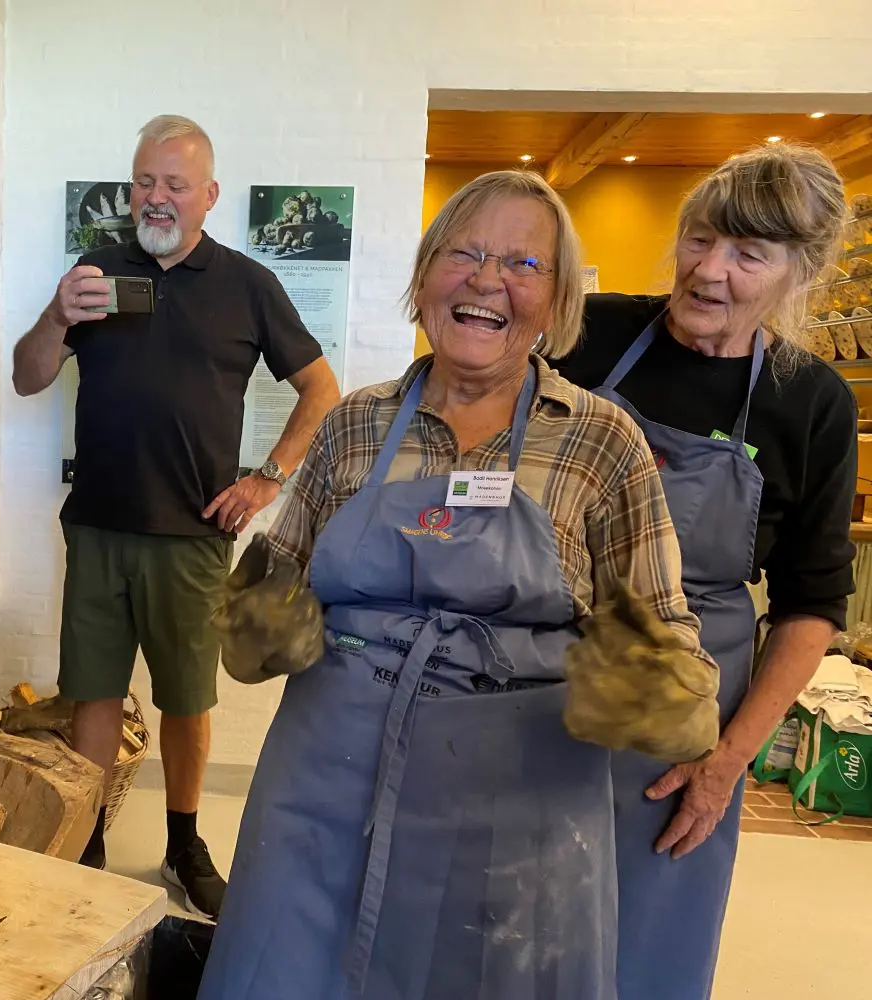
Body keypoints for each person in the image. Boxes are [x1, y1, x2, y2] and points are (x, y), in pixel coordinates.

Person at [198, 170, 721, 1000]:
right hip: (329, 782)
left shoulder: (599, 440)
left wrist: (647, 689)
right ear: (424, 274)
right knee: (293, 972)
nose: (486, 281)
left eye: (523, 264)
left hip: (517, 805)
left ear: (555, 303)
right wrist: (255, 615)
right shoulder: (354, 425)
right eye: (464, 253)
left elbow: (662, 632)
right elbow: (278, 600)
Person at [11, 114, 340, 920]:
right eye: (145, 182)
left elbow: (322, 391)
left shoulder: (247, 284)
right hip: (96, 526)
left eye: (175, 185)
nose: (156, 198)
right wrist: (55, 317)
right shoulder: (93, 272)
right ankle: (87, 840)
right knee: (91, 693)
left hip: (195, 537)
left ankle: (184, 844)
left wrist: (268, 479)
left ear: (209, 196)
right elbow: (27, 378)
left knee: (187, 700)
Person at [555, 143, 857, 1000]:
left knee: (647, 948)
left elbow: (811, 605)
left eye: (746, 255)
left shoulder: (810, 401)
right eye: (699, 239)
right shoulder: (592, 335)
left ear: (798, 276)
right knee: (509, 926)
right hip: (539, 675)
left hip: (679, 726)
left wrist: (727, 762)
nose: (708, 270)